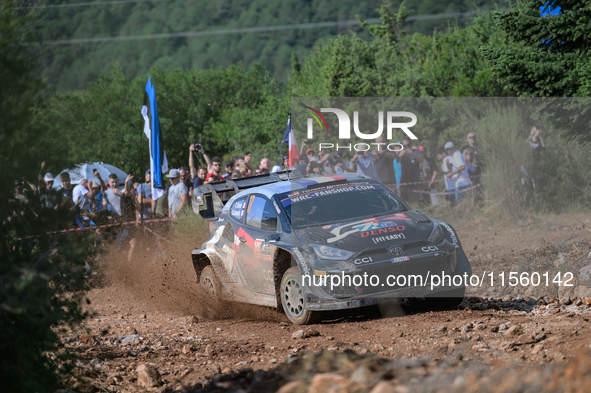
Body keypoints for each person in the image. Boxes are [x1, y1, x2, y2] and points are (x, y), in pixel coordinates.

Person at [397, 137, 424, 203]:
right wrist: (401, 154)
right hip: (404, 181)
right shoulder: (401, 153)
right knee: (404, 202)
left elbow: (421, 160)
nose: (407, 147)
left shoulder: (416, 152)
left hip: (414, 181)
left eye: (408, 145)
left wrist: (413, 154)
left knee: (415, 202)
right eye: (404, 146)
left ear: (411, 144)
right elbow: (398, 160)